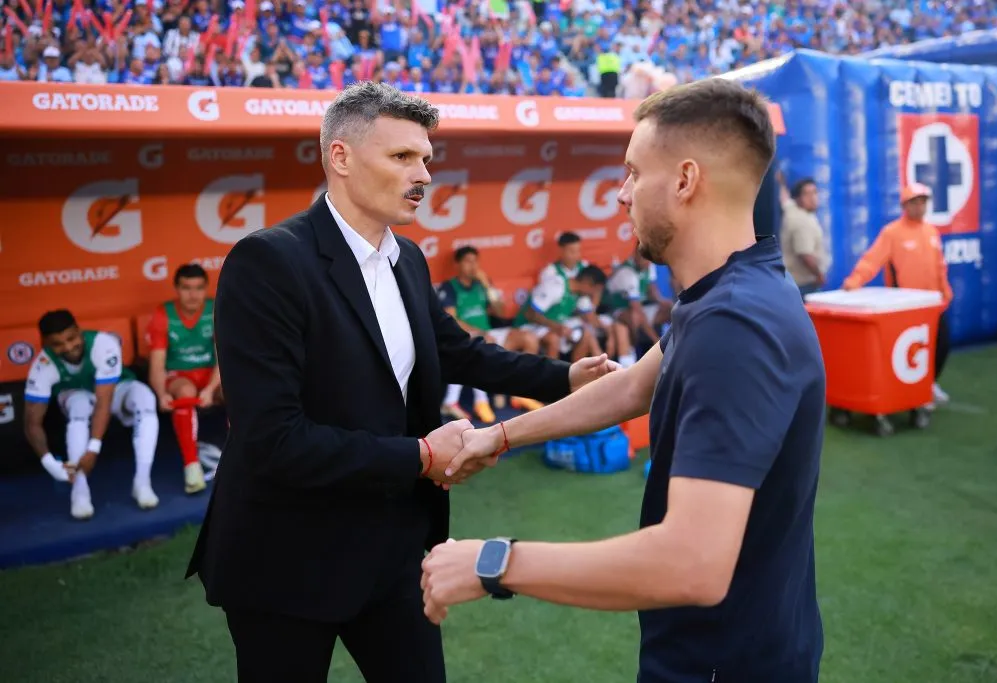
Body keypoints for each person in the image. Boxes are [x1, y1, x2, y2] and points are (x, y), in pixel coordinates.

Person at [184, 82, 616, 683]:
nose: (424, 175)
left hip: (392, 548)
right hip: (287, 556)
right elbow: (272, 439)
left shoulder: (406, 258)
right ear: (340, 157)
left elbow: (457, 351)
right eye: (402, 156)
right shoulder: (268, 261)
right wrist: (421, 456)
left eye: (426, 159)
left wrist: (566, 376)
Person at [421, 78, 827, 683]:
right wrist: (499, 435)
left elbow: (692, 564)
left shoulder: (734, 323)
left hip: (724, 663)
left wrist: (492, 563)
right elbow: (635, 386)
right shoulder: (731, 288)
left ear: (685, 181)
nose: (620, 194)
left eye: (634, 172)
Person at [23, 310, 160, 519]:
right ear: (45, 343)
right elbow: (31, 422)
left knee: (144, 397)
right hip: (77, 397)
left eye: (71, 338)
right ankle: (79, 491)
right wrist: (49, 463)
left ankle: (142, 482)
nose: (68, 347)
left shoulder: (103, 344)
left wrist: (93, 450)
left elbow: (103, 403)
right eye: (57, 344)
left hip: (114, 391)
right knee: (79, 404)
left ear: (79, 331)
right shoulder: (42, 366)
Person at [842, 182, 953, 404]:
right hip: (905, 306)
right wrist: (854, 281)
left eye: (923, 202)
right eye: (915, 202)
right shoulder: (892, 233)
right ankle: (908, 391)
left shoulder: (931, 231)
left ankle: (929, 383)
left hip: (933, 303)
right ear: (904, 205)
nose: (919, 207)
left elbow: (939, 266)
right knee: (908, 350)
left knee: (941, 344)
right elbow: (872, 260)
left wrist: (945, 291)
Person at [437, 245, 544, 422]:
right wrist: (478, 332)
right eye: (468, 261)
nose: (473, 266)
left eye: (475, 261)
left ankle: (520, 393)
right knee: (483, 342)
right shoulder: (449, 287)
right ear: (457, 264)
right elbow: (451, 320)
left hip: (488, 332)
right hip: (464, 334)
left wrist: (488, 286)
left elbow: (500, 312)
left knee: (528, 338)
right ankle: (481, 401)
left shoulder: (482, 284)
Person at [145, 263, 222, 494]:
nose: (193, 295)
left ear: (206, 288)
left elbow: (225, 357)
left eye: (199, 288)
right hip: (180, 375)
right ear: (176, 289)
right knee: (185, 391)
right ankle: (192, 466)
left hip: (211, 374)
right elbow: (157, 364)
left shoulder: (216, 309)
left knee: (237, 388)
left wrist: (210, 389)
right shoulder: (163, 314)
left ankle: (247, 456)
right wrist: (161, 394)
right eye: (186, 288)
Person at [513, 264, 607, 362]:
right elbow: (530, 313)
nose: (594, 294)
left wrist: (609, 331)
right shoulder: (556, 286)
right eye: (595, 290)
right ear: (587, 283)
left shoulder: (580, 295)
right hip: (528, 325)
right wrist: (556, 327)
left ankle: (577, 369)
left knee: (586, 334)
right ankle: (552, 371)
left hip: (552, 326)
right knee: (553, 339)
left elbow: (591, 317)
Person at [602, 242, 673, 344]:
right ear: (636, 254)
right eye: (645, 259)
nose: (648, 263)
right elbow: (637, 308)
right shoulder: (627, 273)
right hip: (617, 310)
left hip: (640, 307)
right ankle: (634, 348)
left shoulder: (648, 265)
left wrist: (661, 301)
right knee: (635, 317)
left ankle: (675, 342)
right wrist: (656, 339)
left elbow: (651, 289)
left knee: (671, 308)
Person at [779, 177, 831, 298]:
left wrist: (780, 181)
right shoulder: (802, 221)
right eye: (807, 194)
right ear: (797, 198)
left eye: (814, 192)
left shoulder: (792, 209)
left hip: (791, 283)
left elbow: (785, 199)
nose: (812, 198)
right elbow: (805, 255)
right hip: (804, 285)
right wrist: (819, 275)